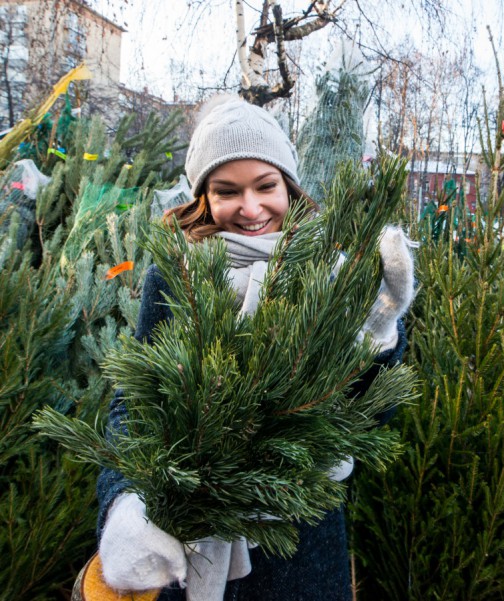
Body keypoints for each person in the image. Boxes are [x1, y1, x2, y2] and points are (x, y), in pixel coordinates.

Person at [94, 95, 415, 600]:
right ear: (203, 196)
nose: (250, 208)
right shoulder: (176, 274)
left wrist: (377, 336)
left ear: (288, 184)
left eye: (266, 186)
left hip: (300, 548)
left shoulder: (326, 275)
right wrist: (126, 502)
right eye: (227, 191)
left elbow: (370, 420)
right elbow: (133, 403)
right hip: (191, 542)